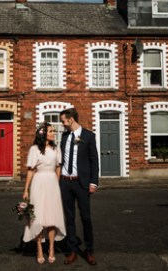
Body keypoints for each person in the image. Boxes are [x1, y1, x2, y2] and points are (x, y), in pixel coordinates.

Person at [59, 107, 99, 266]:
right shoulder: (64, 136)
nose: (62, 124)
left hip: (81, 183)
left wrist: (93, 182)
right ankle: (73, 250)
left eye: (63, 121)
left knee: (85, 217)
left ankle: (89, 251)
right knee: (69, 218)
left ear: (71, 119)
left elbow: (94, 160)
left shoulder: (88, 136)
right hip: (65, 182)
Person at [22, 122, 66, 264]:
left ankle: (51, 248)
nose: (54, 133)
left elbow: (58, 167)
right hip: (38, 183)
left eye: (53, 130)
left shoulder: (56, 148)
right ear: (43, 134)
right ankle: (39, 248)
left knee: (52, 218)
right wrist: (26, 190)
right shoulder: (34, 149)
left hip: (52, 183)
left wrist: (56, 183)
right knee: (38, 218)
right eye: (51, 131)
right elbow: (30, 170)